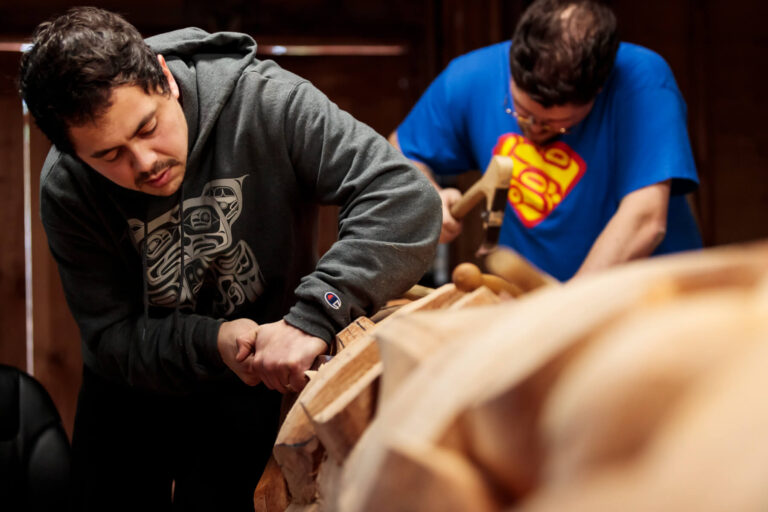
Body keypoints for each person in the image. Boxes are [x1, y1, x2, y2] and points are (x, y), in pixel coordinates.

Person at [19, 7, 440, 510]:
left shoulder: (266, 100)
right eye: (109, 156)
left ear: (165, 78)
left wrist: (316, 314)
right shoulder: (66, 186)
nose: (145, 162)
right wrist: (211, 340)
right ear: (74, 154)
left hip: (261, 377)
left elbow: (404, 198)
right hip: (131, 392)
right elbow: (110, 337)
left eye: (148, 127)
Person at [389, 0, 702, 282]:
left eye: (557, 124)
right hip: (532, 299)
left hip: (651, 300)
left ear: (598, 91)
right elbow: (399, 151)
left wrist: (563, 311)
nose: (533, 129)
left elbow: (645, 218)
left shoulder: (644, 80)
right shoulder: (469, 77)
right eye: (520, 112)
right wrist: (426, 196)